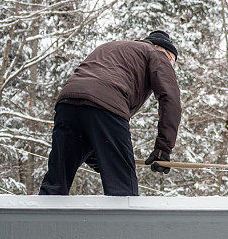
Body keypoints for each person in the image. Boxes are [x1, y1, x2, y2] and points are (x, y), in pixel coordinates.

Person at [39, 30, 182, 196]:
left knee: (57, 179)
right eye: (171, 60)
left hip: (67, 104)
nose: (170, 65)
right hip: (106, 104)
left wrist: (99, 154)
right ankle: (125, 221)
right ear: (161, 48)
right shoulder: (155, 53)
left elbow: (89, 121)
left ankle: (42, 219)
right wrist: (163, 149)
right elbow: (170, 99)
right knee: (122, 186)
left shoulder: (112, 47)